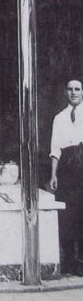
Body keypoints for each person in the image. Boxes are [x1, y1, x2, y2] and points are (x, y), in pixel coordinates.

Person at [50, 79, 83, 276]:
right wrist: (54, 174)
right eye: (70, 89)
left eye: (77, 89)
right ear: (65, 92)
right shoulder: (59, 117)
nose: (73, 92)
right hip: (67, 167)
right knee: (68, 214)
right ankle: (69, 260)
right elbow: (55, 148)